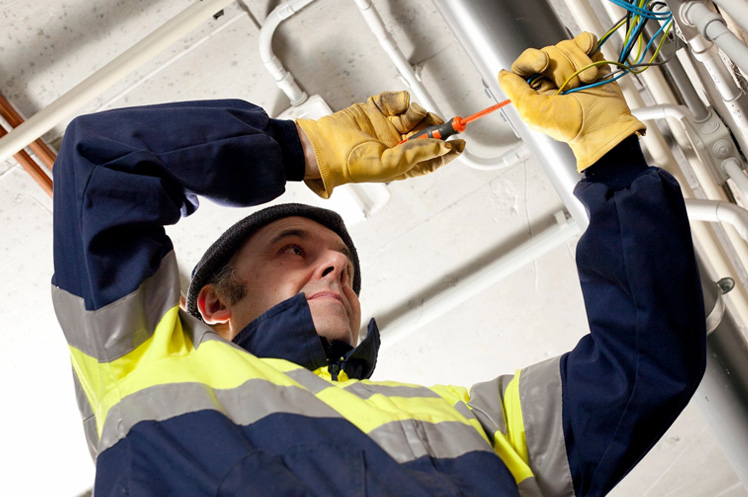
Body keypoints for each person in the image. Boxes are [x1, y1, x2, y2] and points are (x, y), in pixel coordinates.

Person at [52, 33, 705, 497]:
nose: (337, 266)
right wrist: (299, 147)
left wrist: (609, 154)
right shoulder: (138, 358)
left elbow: (644, 364)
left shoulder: (472, 422)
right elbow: (103, 162)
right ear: (216, 303)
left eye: (346, 267)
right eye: (294, 250)